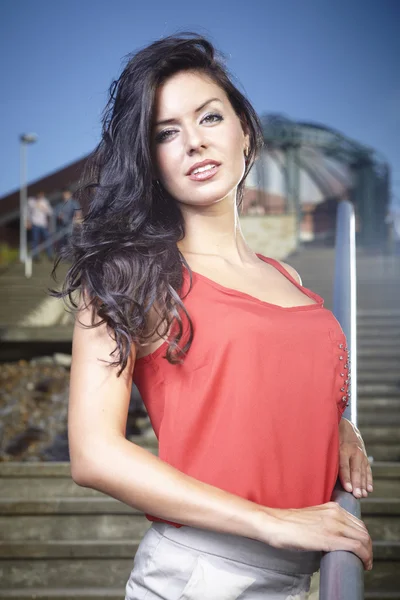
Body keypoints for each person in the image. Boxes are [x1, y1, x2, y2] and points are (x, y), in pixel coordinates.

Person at [55, 34, 373, 599]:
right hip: (200, 576)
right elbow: (95, 454)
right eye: (167, 133)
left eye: (209, 117)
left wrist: (339, 425)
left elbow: (267, 385)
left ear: (244, 131)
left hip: (294, 576)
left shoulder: (289, 278)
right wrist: (272, 522)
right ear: (150, 160)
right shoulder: (133, 276)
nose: (195, 144)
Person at [27, 191, 53, 260]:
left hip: (43, 224)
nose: (40, 195)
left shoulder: (45, 201)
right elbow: (27, 212)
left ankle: (50, 255)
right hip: (34, 224)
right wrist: (27, 222)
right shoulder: (31, 201)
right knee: (35, 240)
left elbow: (50, 212)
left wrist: (44, 208)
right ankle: (36, 256)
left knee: (47, 239)